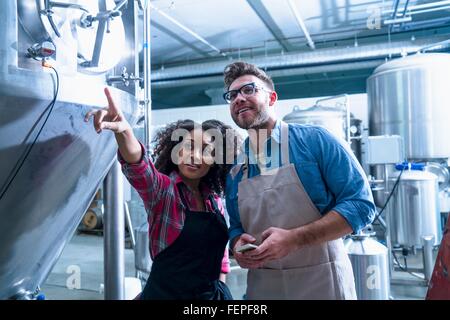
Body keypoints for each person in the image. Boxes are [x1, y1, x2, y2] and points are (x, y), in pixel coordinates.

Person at [223, 61, 376, 299]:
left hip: (322, 283)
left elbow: (360, 205)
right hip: (264, 288)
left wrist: (296, 239)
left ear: (272, 98)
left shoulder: (316, 141)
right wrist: (236, 245)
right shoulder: (235, 169)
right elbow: (235, 226)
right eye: (232, 95)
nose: (239, 98)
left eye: (249, 89)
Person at [85, 88, 239, 300]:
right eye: (189, 146)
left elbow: (220, 258)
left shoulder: (214, 200)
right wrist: (124, 131)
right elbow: (139, 166)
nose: (195, 156)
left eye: (206, 150)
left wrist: (219, 287)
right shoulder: (163, 192)